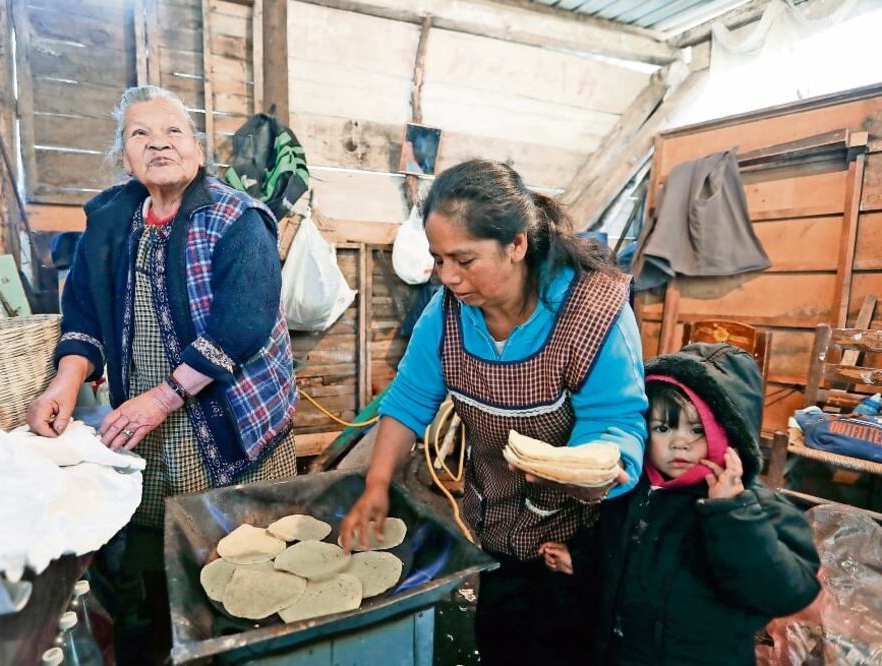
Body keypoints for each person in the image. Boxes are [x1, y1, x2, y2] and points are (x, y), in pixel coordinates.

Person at [26, 85, 298, 663]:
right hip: (148, 429)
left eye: (173, 131)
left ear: (198, 151)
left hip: (227, 427)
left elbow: (242, 325)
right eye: (140, 134)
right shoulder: (112, 222)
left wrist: (163, 397)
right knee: (149, 576)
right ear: (124, 158)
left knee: (238, 569)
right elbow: (84, 312)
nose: (158, 144)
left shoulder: (237, 220)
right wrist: (67, 380)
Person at [339, 160, 648, 665]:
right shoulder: (447, 315)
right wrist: (376, 483)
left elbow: (614, 421)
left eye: (464, 259)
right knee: (502, 640)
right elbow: (409, 400)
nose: (450, 278)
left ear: (517, 245)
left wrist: (597, 471)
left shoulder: (592, 312)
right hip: (496, 523)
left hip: (579, 545)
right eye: (440, 259)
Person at [591, 343, 821, 665]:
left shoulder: (753, 506)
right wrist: (576, 558)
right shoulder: (634, 490)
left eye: (697, 430)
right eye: (662, 427)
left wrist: (731, 513)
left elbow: (787, 591)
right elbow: (613, 554)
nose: (679, 442)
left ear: (728, 433)